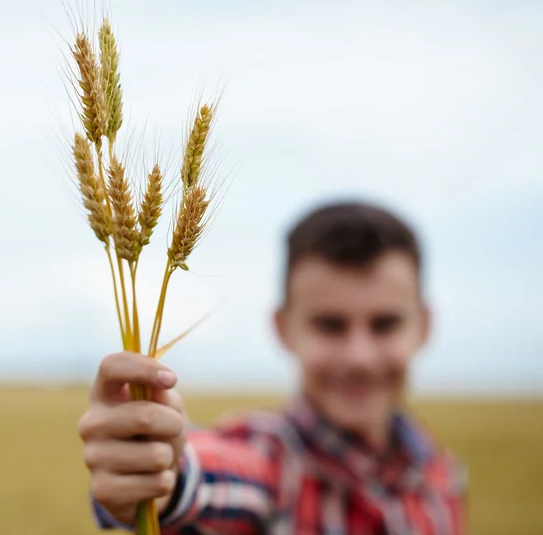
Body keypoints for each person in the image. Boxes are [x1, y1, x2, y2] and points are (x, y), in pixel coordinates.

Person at [78, 200, 467, 534]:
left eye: (385, 324)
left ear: (425, 325)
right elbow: (217, 474)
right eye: (329, 325)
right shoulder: (274, 466)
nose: (359, 357)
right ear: (282, 328)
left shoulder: (442, 477)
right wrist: (162, 474)